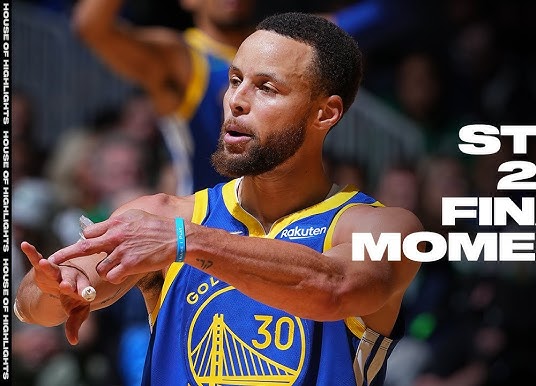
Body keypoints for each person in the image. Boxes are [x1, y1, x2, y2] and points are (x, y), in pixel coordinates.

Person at [16, 12, 422, 386]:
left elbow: (336, 288)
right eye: (234, 80)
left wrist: (185, 242)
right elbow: (32, 305)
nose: (235, 101)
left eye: (266, 87)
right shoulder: (161, 215)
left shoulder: (384, 228)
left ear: (325, 113)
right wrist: (58, 289)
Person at [72, 0, 256, 194]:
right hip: (205, 218)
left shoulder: (277, 53)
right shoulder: (181, 59)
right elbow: (91, 27)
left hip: (280, 220)